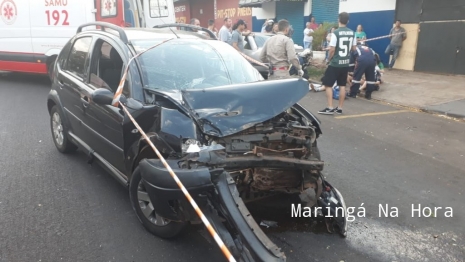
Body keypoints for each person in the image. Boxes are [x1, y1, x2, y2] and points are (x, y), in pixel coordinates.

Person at [318, 12, 357, 115]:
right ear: (348, 21)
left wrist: (328, 60)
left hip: (335, 63)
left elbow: (331, 50)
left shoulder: (336, 33)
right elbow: (354, 49)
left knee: (328, 84)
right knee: (342, 85)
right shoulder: (352, 33)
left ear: (338, 20)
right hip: (345, 63)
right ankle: (339, 108)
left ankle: (330, 107)